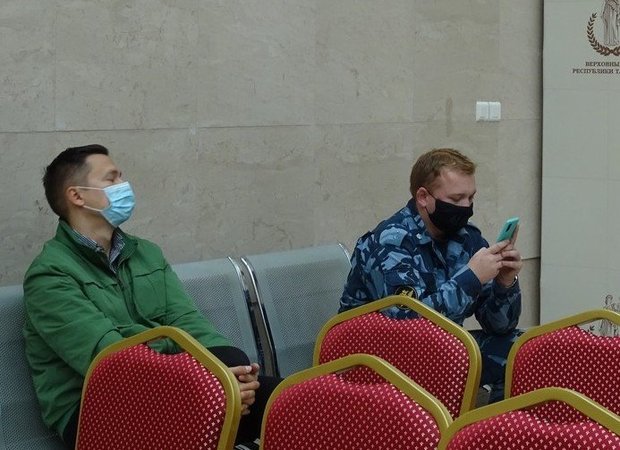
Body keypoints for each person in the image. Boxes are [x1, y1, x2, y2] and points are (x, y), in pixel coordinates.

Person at [23, 144, 276, 449]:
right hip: (95, 410)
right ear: (77, 196)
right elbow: (110, 361)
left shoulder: (145, 253)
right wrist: (207, 378)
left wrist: (230, 372)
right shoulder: (49, 275)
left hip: (174, 386)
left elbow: (187, 321)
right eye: (111, 179)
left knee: (285, 403)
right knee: (220, 392)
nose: (123, 186)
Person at [339, 148, 523, 403]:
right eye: (456, 199)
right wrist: (471, 278)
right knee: (453, 354)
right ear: (423, 197)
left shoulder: (466, 238)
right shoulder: (391, 242)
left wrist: (505, 282)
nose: (466, 207)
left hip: (437, 353)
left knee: (520, 351)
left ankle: (495, 427)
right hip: (375, 360)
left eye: (471, 198)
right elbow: (407, 324)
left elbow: (500, 326)